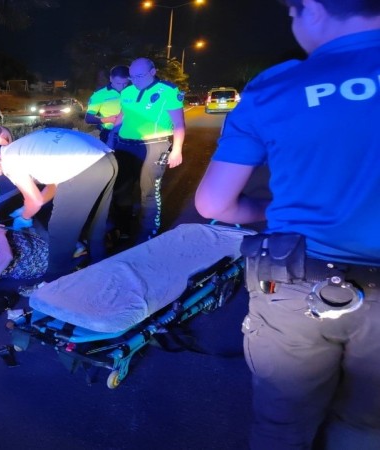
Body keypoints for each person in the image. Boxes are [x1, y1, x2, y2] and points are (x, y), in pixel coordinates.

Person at [194, 1, 380, 448]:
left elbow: (213, 203)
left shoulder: (275, 87)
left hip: (297, 285)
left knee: (283, 427)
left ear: (311, 9)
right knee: (367, 425)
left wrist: (268, 208)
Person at [0, 128, 117, 280]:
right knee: (97, 221)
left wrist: (25, 217)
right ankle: (99, 264)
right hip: (106, 160)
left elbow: (35, 201)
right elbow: (52, 186)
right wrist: (27, 207)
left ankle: (52, 280)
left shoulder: (10, 161)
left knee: (59, 230)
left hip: (83, 169)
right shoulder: (22, 147)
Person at [112, 57, 185, 244]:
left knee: (149, 191)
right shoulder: (127, 91)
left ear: (153, 72)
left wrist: (177, 150)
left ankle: (149, 229)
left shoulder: (168, 91)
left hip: (154, 145)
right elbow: (122, 115)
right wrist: (112, 137)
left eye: (140, 76)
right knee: (121, 189)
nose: (135, 80)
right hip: (125, 146)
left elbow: (178, 123)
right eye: (132, 77)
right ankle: (123, 227)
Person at [85, 65, 130, 144]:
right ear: (111, 79)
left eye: (125, 83)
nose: (122, 87)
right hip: (110, 134)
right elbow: (88, 118)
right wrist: (108, 119)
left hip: (132, 133)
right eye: (118, 83)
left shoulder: (132, 91)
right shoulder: (99, 95)